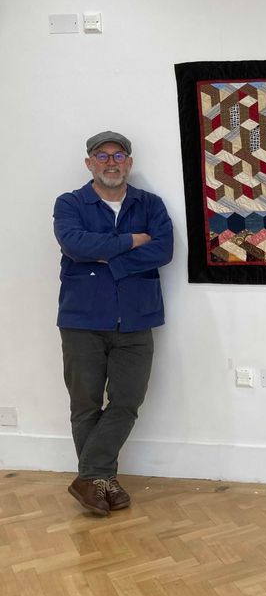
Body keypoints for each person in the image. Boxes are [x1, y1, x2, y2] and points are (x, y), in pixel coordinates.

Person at [53, 131, 173, 516]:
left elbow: (164, 249)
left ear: (129, 163)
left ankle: (91, 478)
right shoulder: (70, 203)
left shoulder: (150, 204)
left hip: (137, 319)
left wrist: (108, 256)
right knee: (85, 403)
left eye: (118, 155)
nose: (111, 162)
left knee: (127, 401)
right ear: (89, 163)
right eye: (101, 155)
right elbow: (75, 245)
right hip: (81, 319)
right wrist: (131, 241)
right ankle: (103, 482)